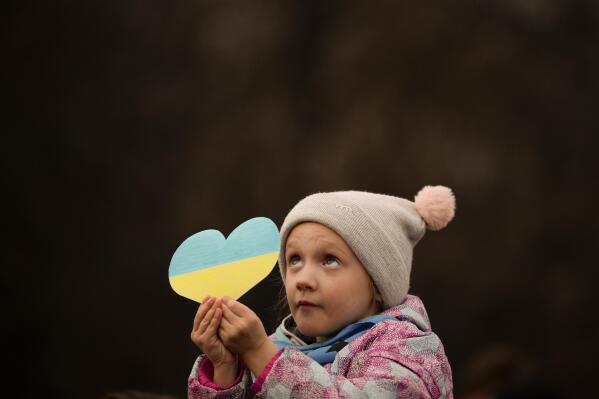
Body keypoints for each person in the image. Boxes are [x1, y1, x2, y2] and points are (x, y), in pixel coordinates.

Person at [188, 186, 456, 398]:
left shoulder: (409, 348)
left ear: (377, 283)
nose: (303, 279)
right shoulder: (275, 349)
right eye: (294, 260)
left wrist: (260, 353)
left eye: (329, 260)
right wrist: (224, 368)